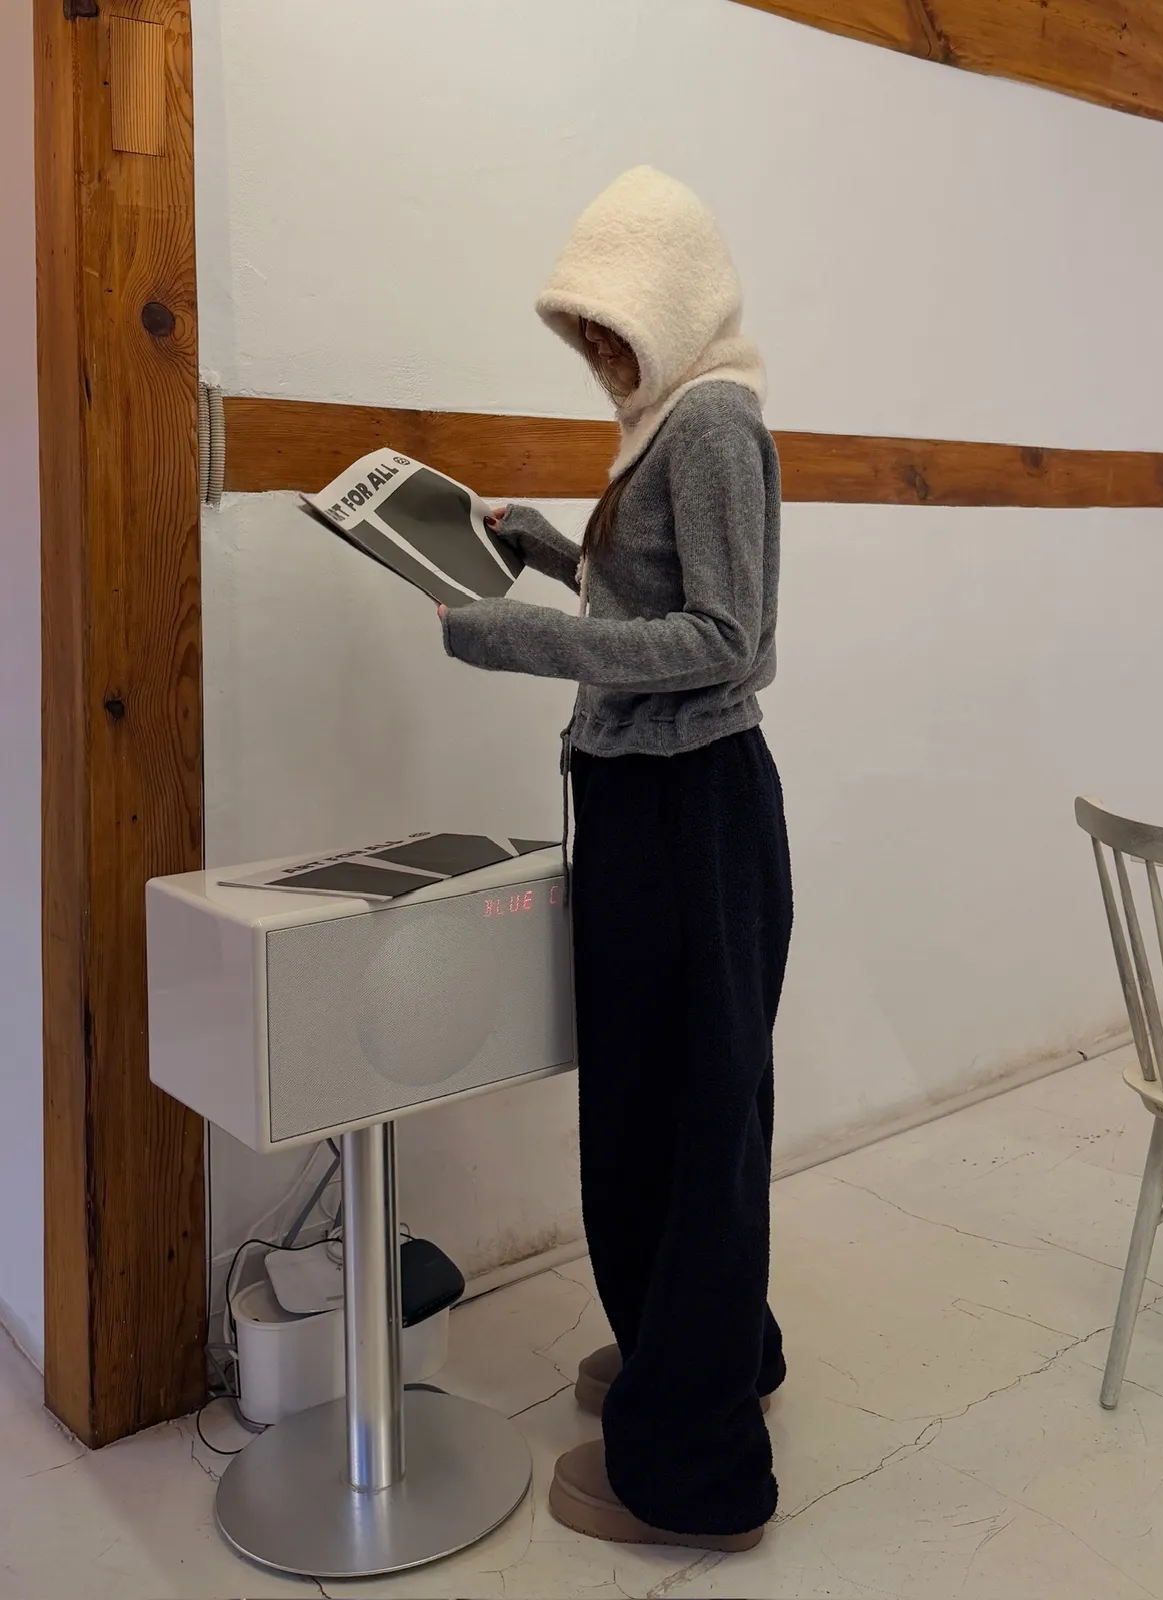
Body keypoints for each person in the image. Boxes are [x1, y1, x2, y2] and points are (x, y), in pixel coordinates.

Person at [439, 166, 791, 1551]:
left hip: (691, 813)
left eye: (614, 327)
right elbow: (659, 595)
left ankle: (697, 1472)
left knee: (687, 1122)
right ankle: (703, 1355)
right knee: (669, 1108)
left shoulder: (711, 422)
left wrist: (526, 640)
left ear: (672, 302)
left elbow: (728, 641)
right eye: (581, 330)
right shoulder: (671, 422)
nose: (598, 353)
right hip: (655, 810)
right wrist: (546, 553)